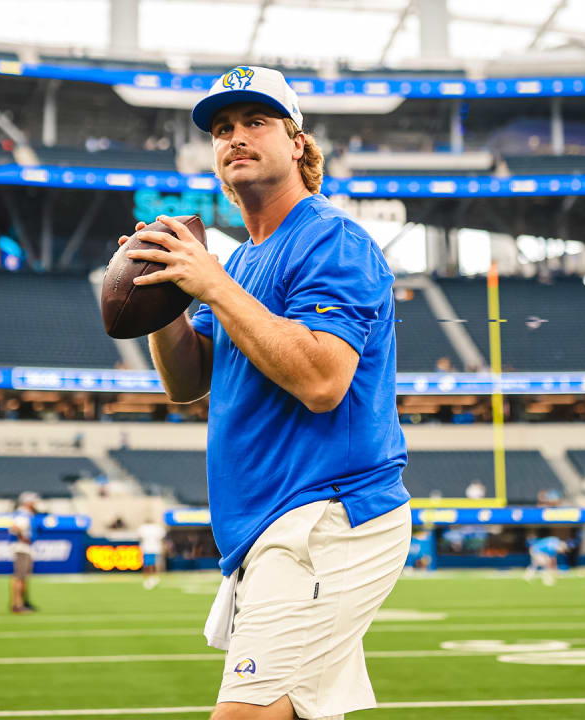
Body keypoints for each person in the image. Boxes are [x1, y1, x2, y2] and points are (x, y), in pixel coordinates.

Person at [124, 65, 411, 720]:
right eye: (223, 129)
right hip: (268, 527)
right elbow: (184, 384)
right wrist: (162, 300)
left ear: (298, 144)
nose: (235, 138)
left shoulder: (332, 239)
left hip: (328, 514)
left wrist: (212, 285)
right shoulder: (242, 260)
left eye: (256, 122)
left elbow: (321, 381)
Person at [10, 491, 39, 614]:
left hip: (24, 548)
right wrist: (23, 539)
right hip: (22, 549)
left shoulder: (26, 514)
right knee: (20, 577)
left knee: (23, 577)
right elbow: (15, 528)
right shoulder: (22, 514)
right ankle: (18, 604)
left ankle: (22, 602)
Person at [138, 520, 166, 590]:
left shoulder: (143, 528)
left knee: (148, 564)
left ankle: (150, 578)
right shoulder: (157, 528)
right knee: (152, 564)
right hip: (154, 548)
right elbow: (162, 537)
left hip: (148, 548)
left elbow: (139, 537)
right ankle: (153, 578)